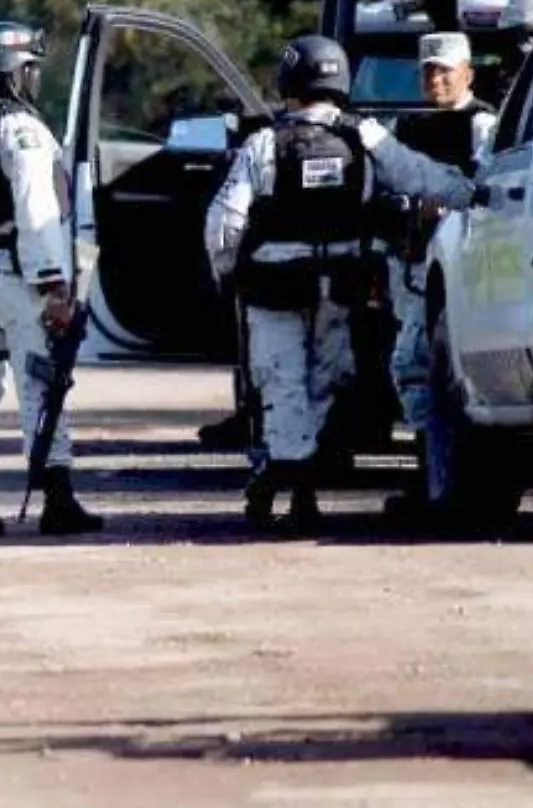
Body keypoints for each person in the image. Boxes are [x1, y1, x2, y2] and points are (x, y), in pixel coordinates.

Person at [204, 35, 480, 529]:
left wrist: (227, 275)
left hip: (275, 287)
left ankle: (291, 486)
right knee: (322, 381)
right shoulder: (366, 137)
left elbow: (224, 222)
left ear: (290, 82)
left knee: (281, 380)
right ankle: (285, 482)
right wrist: (475, 192)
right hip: (340, 283)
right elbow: (421, 177)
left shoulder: (264, 143)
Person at [0, 20, 104, 538]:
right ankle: (57, 500)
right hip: (17, 277)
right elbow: (37, 214)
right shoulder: (20, 129)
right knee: (39, 384)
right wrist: (54, 285)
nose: (33, 78)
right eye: (30, 67)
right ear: (13, 69)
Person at [376, 33, 499, 511]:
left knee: (415, 364)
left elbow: (486, 186)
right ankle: (434, 474)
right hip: (411, 266)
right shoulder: (405, 126)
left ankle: (441, 477)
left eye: (445, 69)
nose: (436, 78)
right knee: (418, 370)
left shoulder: (482, 124)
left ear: (468, 73)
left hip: (467, 266)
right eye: (428, 70)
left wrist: (443, 206)